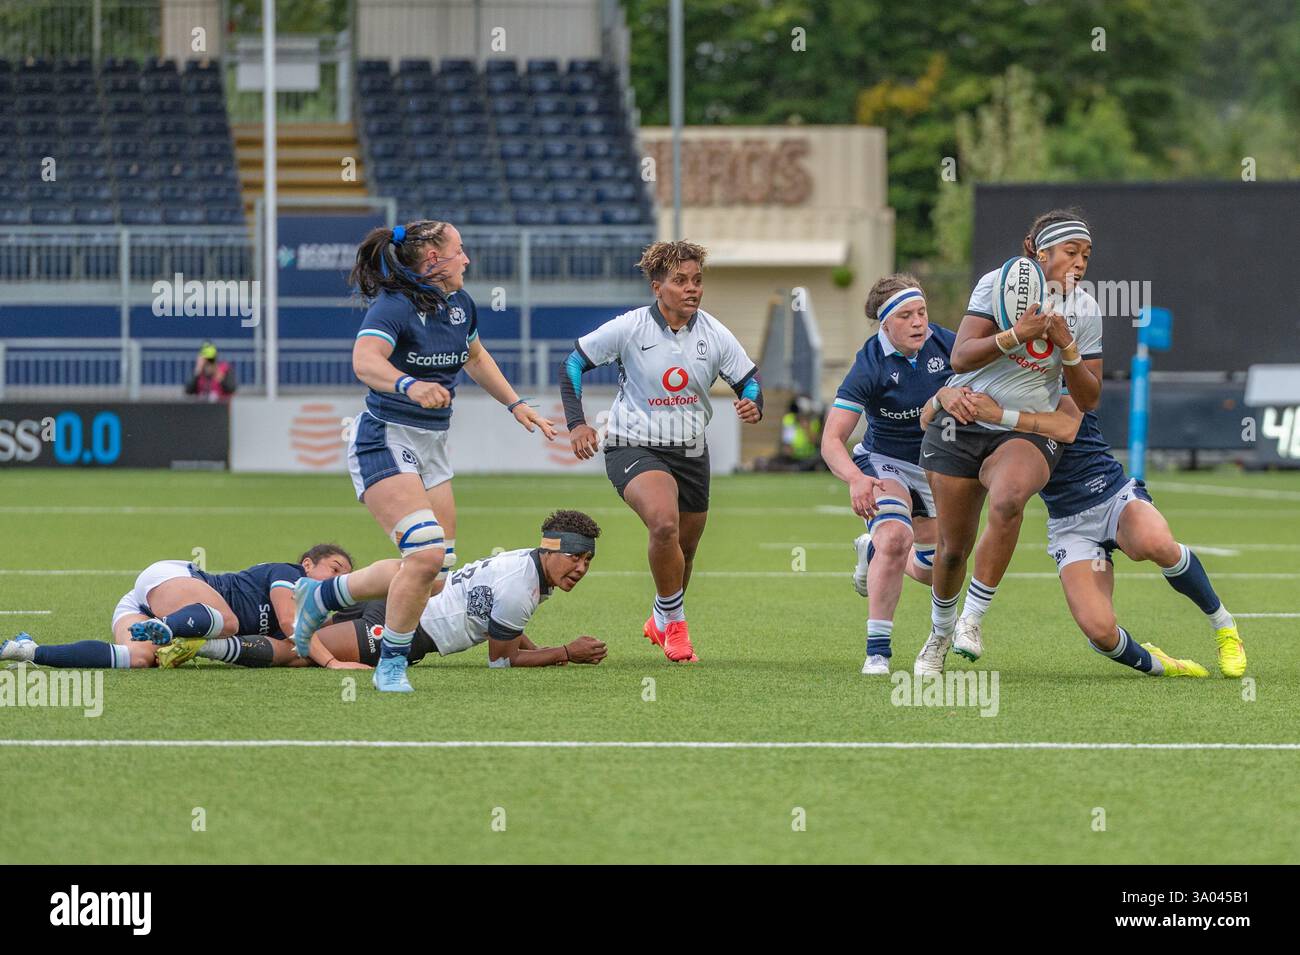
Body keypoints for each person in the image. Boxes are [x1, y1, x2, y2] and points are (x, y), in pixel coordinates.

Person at [346, 219, 556, 692]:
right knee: (424, 553)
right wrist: (411, 385)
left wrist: (516, 404)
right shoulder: (393, 307)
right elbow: (364, 361)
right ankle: (391, 663)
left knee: (437, 577)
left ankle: (322, 595)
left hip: (432, 446)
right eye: (460, 251)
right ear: (433, 260)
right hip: (385, 436)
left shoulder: (460, 305)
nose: (467, 259)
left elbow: (476, 358)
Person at [914, 210, 1102, 676]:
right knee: (953, 548)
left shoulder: (1085, 309)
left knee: (1011, 498)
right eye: (1071, 253)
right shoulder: (995, 284)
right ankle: (939, 633)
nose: (1080, 263)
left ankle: (972, 620)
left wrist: (1067, 347)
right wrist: (1017, 335)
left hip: (1024, 428)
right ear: (1042, 254)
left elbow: (1088, 397)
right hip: (963, 418)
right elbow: (960, 357)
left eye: (1086, 255)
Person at [945, 390, 1244, 678]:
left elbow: (1066, 427)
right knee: (1100, 632)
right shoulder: (993, 388)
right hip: (1070, 526)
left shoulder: (1053, 373)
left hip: (1114, 498)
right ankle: (1162, 665)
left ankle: (1225, 627)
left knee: (1155, 543)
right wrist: (941, 399)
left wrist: (998, 415)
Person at [560, 240, 763, 663]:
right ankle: (678, 626)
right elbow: (574, 363)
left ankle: (660, 615)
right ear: (657, 287)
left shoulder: (713, 332)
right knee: (664, 524)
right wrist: (578, 423)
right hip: (632, 442)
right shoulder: (630, 328)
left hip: (690, 450)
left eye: (697, 281)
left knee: (684, 552)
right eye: (680, 281)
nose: (692, 289)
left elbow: (749, 379)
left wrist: (752, 402)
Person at [820, 274, 970, 674]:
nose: (918, 322)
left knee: (936, 567)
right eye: (906, 315)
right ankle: (878, 652)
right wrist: (855, 479)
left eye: (921, 312)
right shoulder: (870, 364)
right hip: (884, 462)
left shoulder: (946, 343)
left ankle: (870, 550)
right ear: (885, 323)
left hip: (937, 468)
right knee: (895, 535)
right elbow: (831, 439)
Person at [306, 510, 607, 670]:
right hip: (404, 628)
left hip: (399, 600)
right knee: (298, 653)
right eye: (574, 557)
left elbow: (501, 623)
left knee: (301, 634)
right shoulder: (520, 587)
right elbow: (502, 662)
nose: (581, 568)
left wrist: (539, 651)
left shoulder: (526, 561)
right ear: (549, 551)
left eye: (587, 560)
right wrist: (565, 652)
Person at [0, 545, 356, 670]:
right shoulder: (289, 575)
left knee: (137, 659)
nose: (337, 579)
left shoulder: (315, 614)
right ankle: (169, 628)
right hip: (172, 578)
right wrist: (332, 661)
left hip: (137, 603)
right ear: (308, 564)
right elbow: (288, 620)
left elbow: (289, 652)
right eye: (335, 570)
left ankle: (27, 650)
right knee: (228, 622)